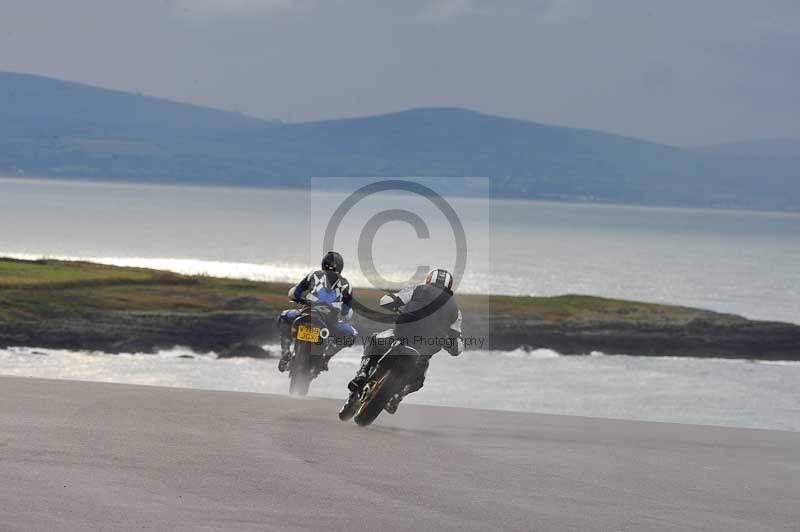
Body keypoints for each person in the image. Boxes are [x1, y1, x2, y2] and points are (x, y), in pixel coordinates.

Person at [346, 268, 462, 414]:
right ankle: (397, 396)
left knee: (374, 340)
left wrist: (395, 306)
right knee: (418, 381)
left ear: (428, 279)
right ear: (449, 286)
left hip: (401, 338)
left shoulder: (418, 290)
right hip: (422, 353)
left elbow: (386, 300)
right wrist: (448, 341)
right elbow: (457, 348)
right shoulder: (456, 311)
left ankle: (362, 373)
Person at [276, 251, 357, 373]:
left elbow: (296, 293)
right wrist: (343, 314)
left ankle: (285, 351)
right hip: (329, 321)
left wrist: (298, 299)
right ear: (341, 267)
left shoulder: (313, 275)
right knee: (351, 334)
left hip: (306, 313)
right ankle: (326, 357)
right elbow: (346, 310)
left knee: (284, 317)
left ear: (323, 264)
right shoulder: (346, 285)